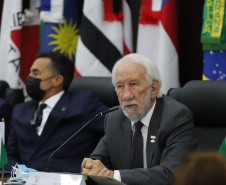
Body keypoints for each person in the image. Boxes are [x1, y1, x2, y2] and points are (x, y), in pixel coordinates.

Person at [81, 53, 198, 185]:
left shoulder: (176, 117)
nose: (126, 95)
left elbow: (171, 174)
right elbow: (99, 160)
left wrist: (114, 175)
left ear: (153, 88)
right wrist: (92, 167)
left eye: (134, 84)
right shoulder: (114, 118)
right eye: (120, 86)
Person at [6, 51, 108, 173]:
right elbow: (9, 155)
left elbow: (118, 129)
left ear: (57, 80)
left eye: (35, 73)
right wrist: (21, 173)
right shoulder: (20, 110)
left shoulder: (84, 104)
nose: (29, 77)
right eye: (30, 72)